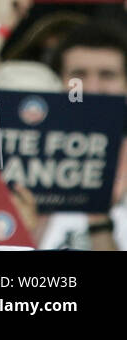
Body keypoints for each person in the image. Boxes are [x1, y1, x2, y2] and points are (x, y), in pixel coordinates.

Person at [39, 23, 127, 250]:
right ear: (58, 82)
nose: (92, 89)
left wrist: (97, 215)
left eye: (107, 75)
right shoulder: (31, 156)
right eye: (78, 75)